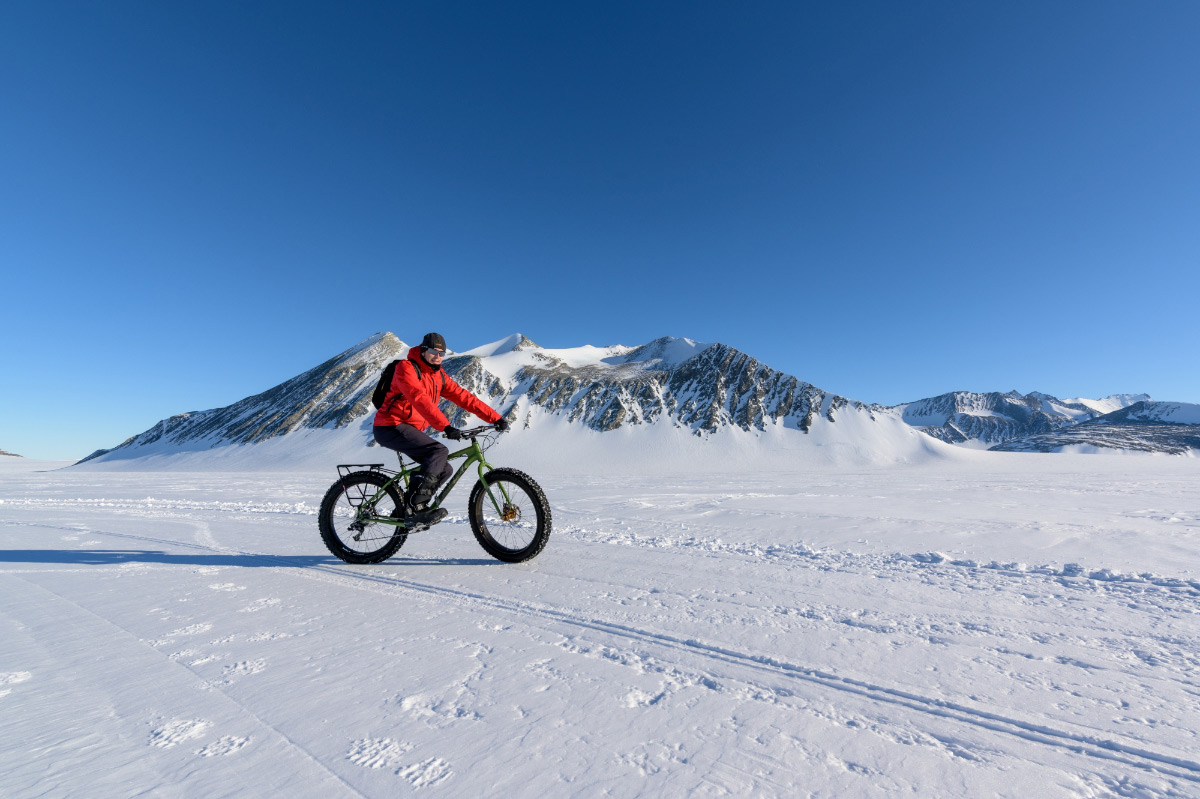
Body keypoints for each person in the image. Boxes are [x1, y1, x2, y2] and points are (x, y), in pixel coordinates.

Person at [373, 332, 510, 527]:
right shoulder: (406, 368)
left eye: (441, 353)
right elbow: (418, 398)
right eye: (433, 351)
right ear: (423, 350)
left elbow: (464, 398)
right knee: (438, 451)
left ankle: (404, 511)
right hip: (389, 425)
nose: (437, 357)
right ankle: (416, 509)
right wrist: (444, 426)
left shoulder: (438, 376)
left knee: (444, 468)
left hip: (408, 429)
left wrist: (495, 418)